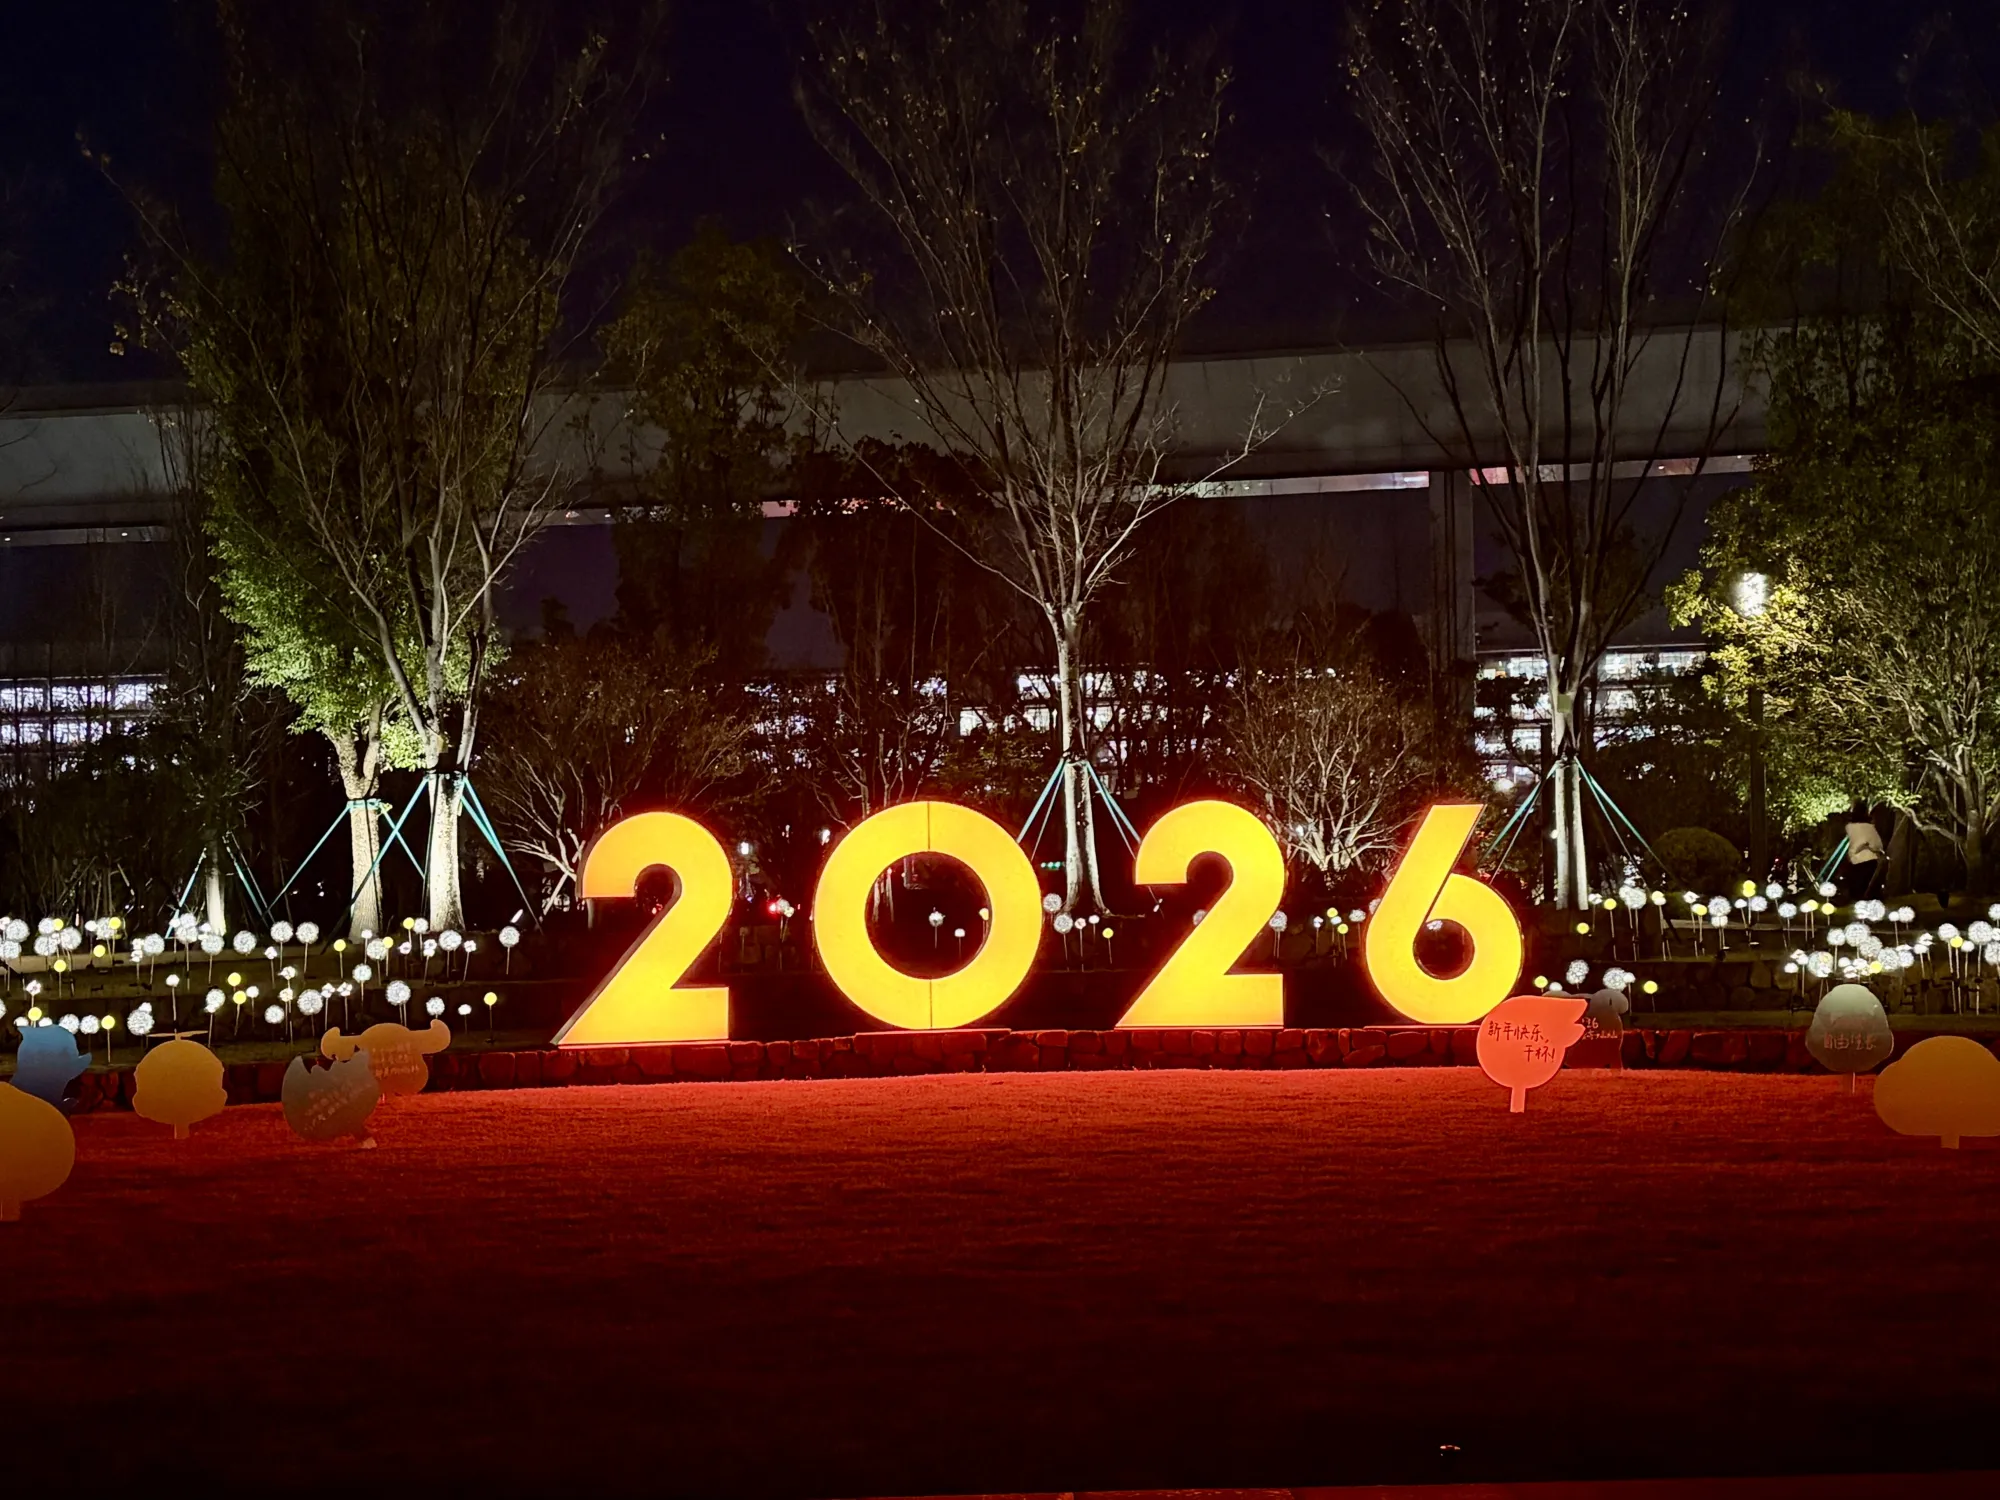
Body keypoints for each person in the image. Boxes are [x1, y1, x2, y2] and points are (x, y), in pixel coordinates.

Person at [1842, 801, 1887, 903]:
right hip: (1870, 859)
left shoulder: (1849, 827)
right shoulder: (1870, 827)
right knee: (1870, 887)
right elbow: (1877, 844)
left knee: (1857, 887)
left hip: (1855, 859)